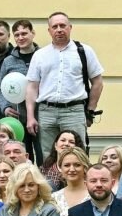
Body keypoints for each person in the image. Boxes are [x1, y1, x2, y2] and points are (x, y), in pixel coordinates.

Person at [22, 11, 102, 151]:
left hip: (74, 111)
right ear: (49, 30)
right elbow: (32, 87)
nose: (59, 29)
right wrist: (30, 117)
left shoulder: (84, 51)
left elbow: (97, 83)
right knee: (48, 155)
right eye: (55, 27)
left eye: (62, 25)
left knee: (76, 153)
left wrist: (90, 111)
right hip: (46, 112)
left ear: (70, 27)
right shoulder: (40, 55)